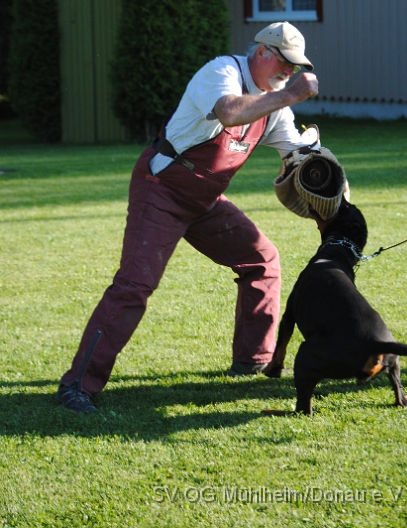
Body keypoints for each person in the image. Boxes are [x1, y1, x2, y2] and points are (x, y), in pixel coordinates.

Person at [56, 21, 319, 413]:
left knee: (262, 260)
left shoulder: (275, 99)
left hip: (205, 198)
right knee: (134, 286)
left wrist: (328, 182)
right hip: (161, 189)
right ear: (262, 53)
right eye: (285, 63)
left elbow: (298, 157)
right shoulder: (221, 72)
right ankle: (76, 386)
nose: (289, 74)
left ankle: (253, 361)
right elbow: (229, 113)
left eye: (296, 68)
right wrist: (293, 95)